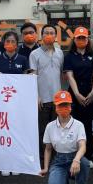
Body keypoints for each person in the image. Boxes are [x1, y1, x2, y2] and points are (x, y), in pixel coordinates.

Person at [40, 90, 90, 184]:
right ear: (56, 107)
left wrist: (76, 160)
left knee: (84, 163)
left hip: (75, 157)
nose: (63, 108)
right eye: (60, 105)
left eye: (66, 105)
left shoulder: (78, 125)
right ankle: (64, 183)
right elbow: (48, 149)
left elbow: (82, 146)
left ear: (70, 107)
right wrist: (46, 167)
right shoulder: (50, 126)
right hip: (59, 160)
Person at [0, 31, 31, 176]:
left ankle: (16, 163)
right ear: (3, 43)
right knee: (4, 131)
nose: (10, 44)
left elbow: (27, 79)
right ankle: (5, 163)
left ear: (17, 43)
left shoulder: (23, 59)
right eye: (7, 41)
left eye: (13, 41)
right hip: (2, 102)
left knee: (17, 132)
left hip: (18, 102)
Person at [63, 27, 93, 165]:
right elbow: (70, 76)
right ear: (74, 40)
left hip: (91, 95)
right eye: (78, 38)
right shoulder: (69, 57)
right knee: (75, 126)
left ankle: (89, 156)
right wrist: (77, 94)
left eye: (83, 38)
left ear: (87, 39)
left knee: (90, 126)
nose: (81, 40)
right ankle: (77, 156)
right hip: (75, 96)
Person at [29, 24, 64, 157]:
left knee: (56, 129)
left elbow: (61, 75)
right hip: (42, 99)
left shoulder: (60, 53)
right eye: (46, 33)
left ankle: (55, 158)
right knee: (42, 130)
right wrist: (36, 96)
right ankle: (43, 158)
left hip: (57, 100)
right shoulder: (34, 54)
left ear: (55, 36)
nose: (49, 35)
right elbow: (32, 76)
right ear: (41, 35)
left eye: (52, 33)